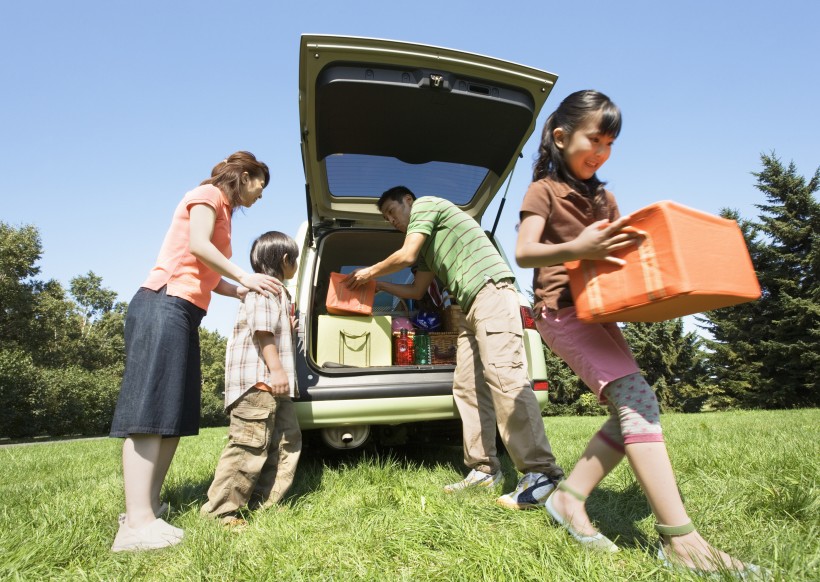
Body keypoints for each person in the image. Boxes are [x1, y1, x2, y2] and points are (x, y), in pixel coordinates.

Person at [516, 89, 763, 575]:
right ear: (561, 137)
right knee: (638, 401)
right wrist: (578, 247)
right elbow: (525, 251)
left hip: (599, 312)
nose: (602, 152)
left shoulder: (604, 196)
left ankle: (568, 501)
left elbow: (621, 255)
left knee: (629, 409)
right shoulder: (542, 190)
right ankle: (682, 542)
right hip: (560, 312)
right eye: (595, 140)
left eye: (611, 144)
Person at [345, 186, 564, 510]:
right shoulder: (427, 249)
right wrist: (377, 285)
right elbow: (417, 290)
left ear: (409, 201)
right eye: (387, 217)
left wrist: (370, 270)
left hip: (491, 293)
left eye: (392, 211)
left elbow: (404, 255)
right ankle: (483, 469)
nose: (391, 220)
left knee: (505, 379)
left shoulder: (428, 205)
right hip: (467, 310)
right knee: (467, 388)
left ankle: (543, 474)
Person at [109, 151, 281, 552]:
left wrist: (238, 288)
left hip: (185, 311)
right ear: (245, 175)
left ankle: (148, 507)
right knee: (150, 413)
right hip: (163, 302)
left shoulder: (224, 211)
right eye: (261, 185)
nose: (260, 195)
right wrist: (244, 274)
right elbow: (199, 246)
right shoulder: (207, 195)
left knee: (172, 415)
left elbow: (207, 271)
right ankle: (135, 523)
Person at [201, 231, 302, 527]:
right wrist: (277, 370)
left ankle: (265, 502)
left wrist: (289, 326)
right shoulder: (265, 290)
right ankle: (222, 511)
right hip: (259, 382)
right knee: (248, 446)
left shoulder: (279, 293)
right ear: (286, 260)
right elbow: (262, 330)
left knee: (285, 441)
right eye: (294, 259)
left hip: (273, 384)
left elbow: (272, 327)